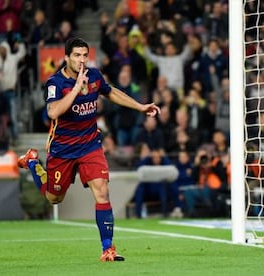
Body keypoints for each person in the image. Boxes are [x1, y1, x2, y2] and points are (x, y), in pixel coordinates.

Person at [17, 37, 160, 262]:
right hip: (62, 149)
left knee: (102, 190)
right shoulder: (55, 83)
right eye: (76, 55)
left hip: (90, 145)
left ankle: (108, 249)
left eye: (85, 55)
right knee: (54, 198)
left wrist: (140, 106)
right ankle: (33, 162)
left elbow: (110, 92)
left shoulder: (94, 75)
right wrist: (75, 89)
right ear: (66, 58)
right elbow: (54, 112)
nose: (82, 60)